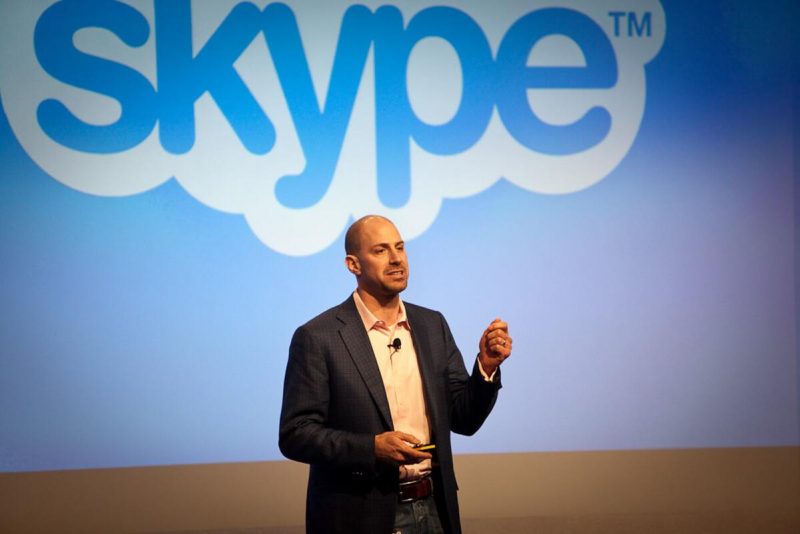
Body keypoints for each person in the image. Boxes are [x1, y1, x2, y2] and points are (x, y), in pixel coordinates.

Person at [279, 215, 512, 534]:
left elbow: (464, 420)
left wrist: (485, 367)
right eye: (380, 250)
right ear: (353, 264)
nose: (396, 259)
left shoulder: (431, 325)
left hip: (434, 508)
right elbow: (296, 434)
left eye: (400, 247)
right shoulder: (319, 337)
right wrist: (371, 447)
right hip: (360, 516)